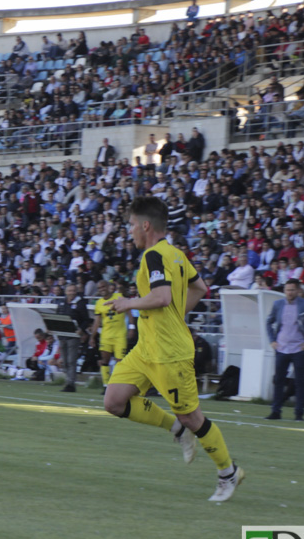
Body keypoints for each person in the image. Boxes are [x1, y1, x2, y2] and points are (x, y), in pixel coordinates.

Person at [103, 196, 243, 502]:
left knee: (193, 417)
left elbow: (162, 297)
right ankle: (177, 430)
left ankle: (228, 472)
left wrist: (129, 303)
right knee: (113, 401)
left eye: (130, 225)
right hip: (146, 348)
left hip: (169, 353)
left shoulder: (154, 256)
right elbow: (200, 289)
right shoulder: (176, 254)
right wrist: (177, 317)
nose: (129, 231)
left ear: (145, 225)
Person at [265, 279, 304, 421]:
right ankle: (276, 411)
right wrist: (272, 340)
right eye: (287, 290)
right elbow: (269, 321)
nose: (289, 292)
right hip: (282, 348)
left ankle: (299, 414)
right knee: (278, 381)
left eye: (292, 290)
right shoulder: (278, 304)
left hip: (299, 348)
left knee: (300, 382)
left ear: (298, 291)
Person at [90, 279, 128, 391]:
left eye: (103, 287)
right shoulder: (98, 303)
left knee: (120, 361)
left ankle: (118, 384)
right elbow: (97, 321)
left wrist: (131, 327)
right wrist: (92, 337)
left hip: (120, 335)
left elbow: (129, 311)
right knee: (104, 360)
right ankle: (106, 385)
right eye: (99, 288)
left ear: (108, 287)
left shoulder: (118, 296)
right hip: (106, 336)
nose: (102, 289)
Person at [55, 283, 91, 392]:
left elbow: (86, 319)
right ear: (65, 292)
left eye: (73, 290)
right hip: (62, 335)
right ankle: (68, 380)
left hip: (73, 335)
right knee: (65, 361)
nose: (71, 293)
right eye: (69, 290)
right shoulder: (61, 302)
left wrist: (81, 329)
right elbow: (57, 316)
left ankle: (70, 383)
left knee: (71, 360)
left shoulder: (80, 303)